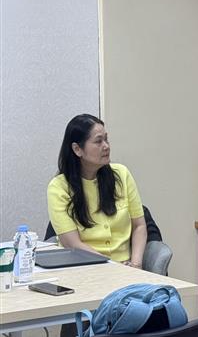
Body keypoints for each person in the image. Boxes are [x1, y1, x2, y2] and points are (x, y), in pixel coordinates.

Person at [47, 114, 147, 267]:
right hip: (83, 268)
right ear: (77, 149)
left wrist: (136, 264)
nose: (106, 146)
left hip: (126, 268)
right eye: (98, 141)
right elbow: (72, 244)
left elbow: (139, 226)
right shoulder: (59, 187)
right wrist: (114, 266)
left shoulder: (121, 174)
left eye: (106, 139)